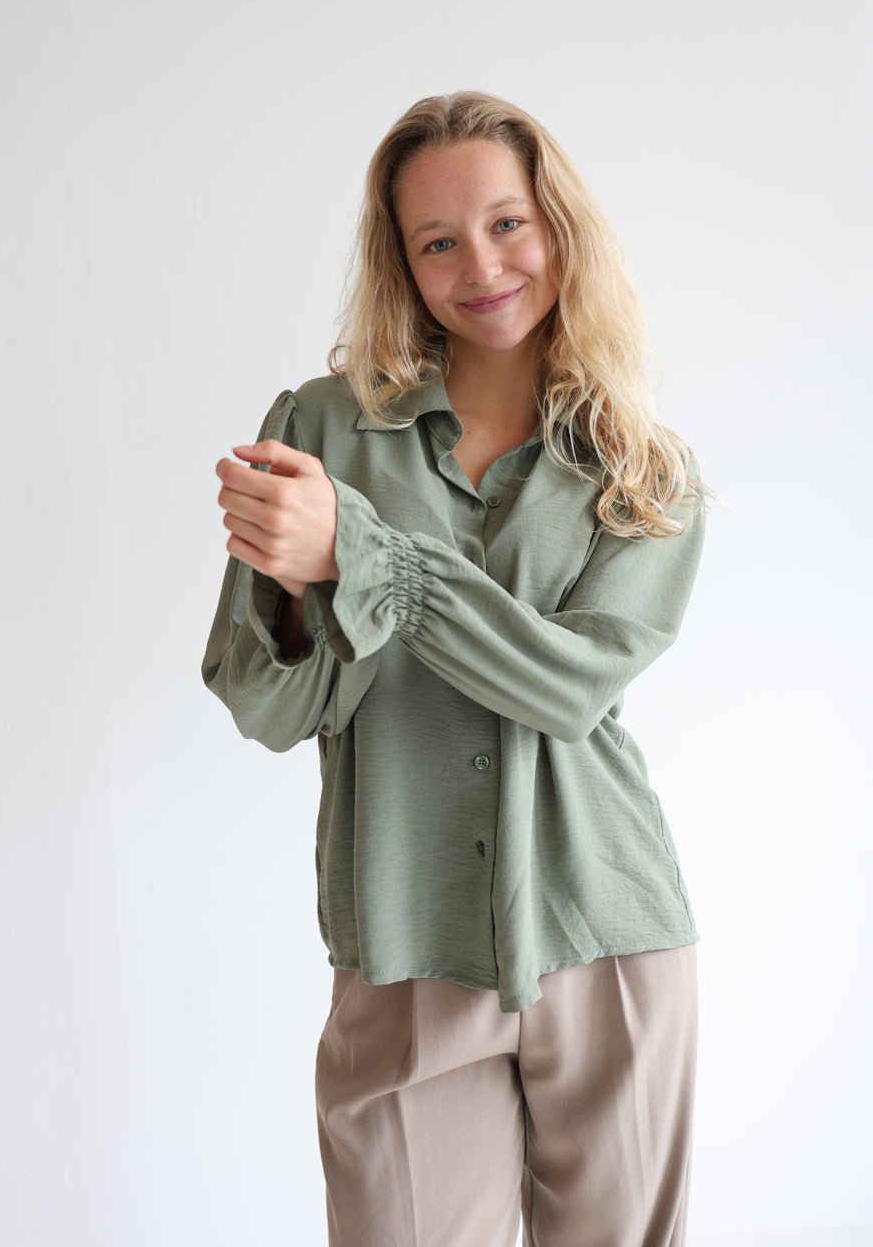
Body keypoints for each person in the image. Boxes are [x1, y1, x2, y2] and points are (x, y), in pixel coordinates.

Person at [201, 90, 711, 1247]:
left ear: (558, 226)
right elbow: (268, 706)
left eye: (506, 223)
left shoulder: (642, 465)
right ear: (403, 263)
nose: (479, 266)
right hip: (403, 939)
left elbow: (569, 687)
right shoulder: (320, 431)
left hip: (606, 932)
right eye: (436, 242)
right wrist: (304, 586)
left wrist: (366, 556)